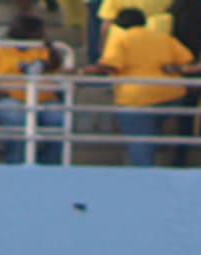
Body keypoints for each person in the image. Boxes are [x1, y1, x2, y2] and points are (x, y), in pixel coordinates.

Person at [81, 8, 194, 169]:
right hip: (171, 95)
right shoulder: (163, 37)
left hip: (137, 97)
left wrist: (83, 71)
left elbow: (110, 65)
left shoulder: (122, 39)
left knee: (140, 145)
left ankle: (144, 179)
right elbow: (186, 58)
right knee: (151, 135)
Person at [0, 17, 66, 167]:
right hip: (5, 100)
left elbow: (57, 66)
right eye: (38, 32)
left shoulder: (45, 51)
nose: (42, 35)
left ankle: (49, 167)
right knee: (17, 117)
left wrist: (50, 49)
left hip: (42, 100)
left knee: (58, 119)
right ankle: (15, 165)